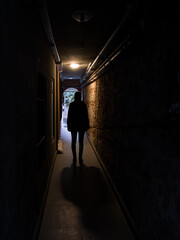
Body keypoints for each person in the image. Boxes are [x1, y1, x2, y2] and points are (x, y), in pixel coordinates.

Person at [67, 92, 89, 165]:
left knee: (73, 142)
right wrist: (87, 124)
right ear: (80, 97)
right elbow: (86, 115)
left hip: (73, 125)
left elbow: (69, 115)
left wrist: (68, 125)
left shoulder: (72, 104)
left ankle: (74, 158)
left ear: (75, 96)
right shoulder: (83, 104)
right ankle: (80, 158)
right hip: (81, 125)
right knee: (81, 142)